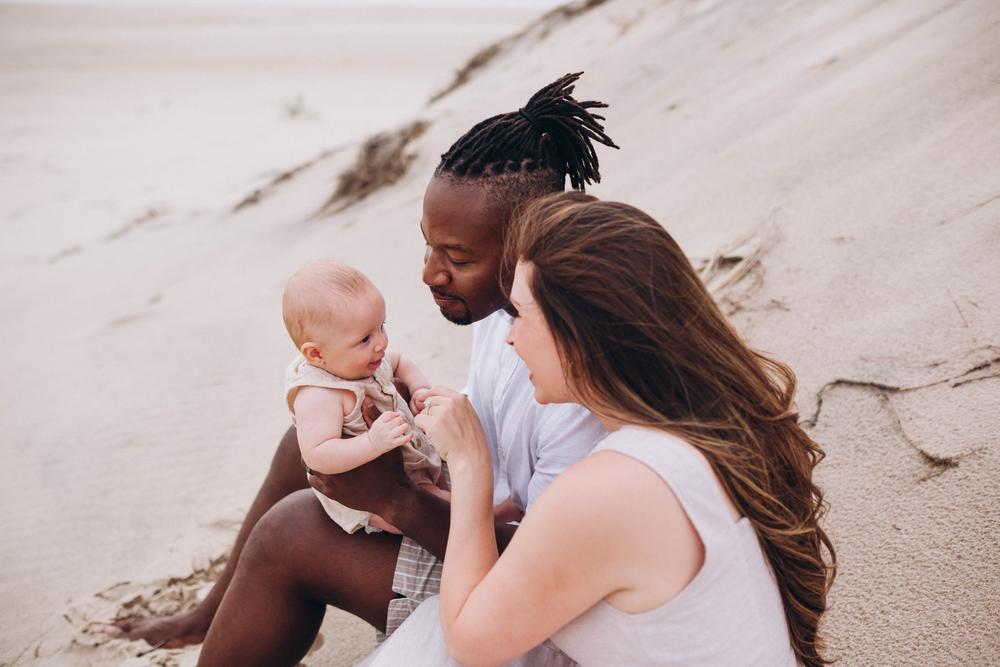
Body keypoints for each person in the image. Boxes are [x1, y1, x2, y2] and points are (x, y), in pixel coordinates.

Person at [110, 73, 617, 665]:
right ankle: (212, 612)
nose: (430, 273)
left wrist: (400, 500)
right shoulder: (495, 312)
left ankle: (244, 608)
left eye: (456, 258)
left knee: (290, 534)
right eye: (428, 246)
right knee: (310, 432)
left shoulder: (574, 386)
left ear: (527, 247)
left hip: (529, 600)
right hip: (475, 514)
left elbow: (543, 574)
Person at [403, 193, 837, 666]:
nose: (510, 337)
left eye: (522, 315)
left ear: (580, 339)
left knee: (429, 641)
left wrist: (470, 464)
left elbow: (470, 642)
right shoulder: (706, 424)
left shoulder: (611, 488)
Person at [282, 260, 446, 535]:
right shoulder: (319, 394)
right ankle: (493, 517)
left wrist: (418, 389)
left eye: (382, 327)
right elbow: (318, 454)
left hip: (410, 458)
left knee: (444, 484)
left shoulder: (363, 359)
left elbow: (400, 363)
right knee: (436, 504)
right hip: (371, 496)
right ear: (316, 355)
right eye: (365, 339)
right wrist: (372, 442)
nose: (381, 342)